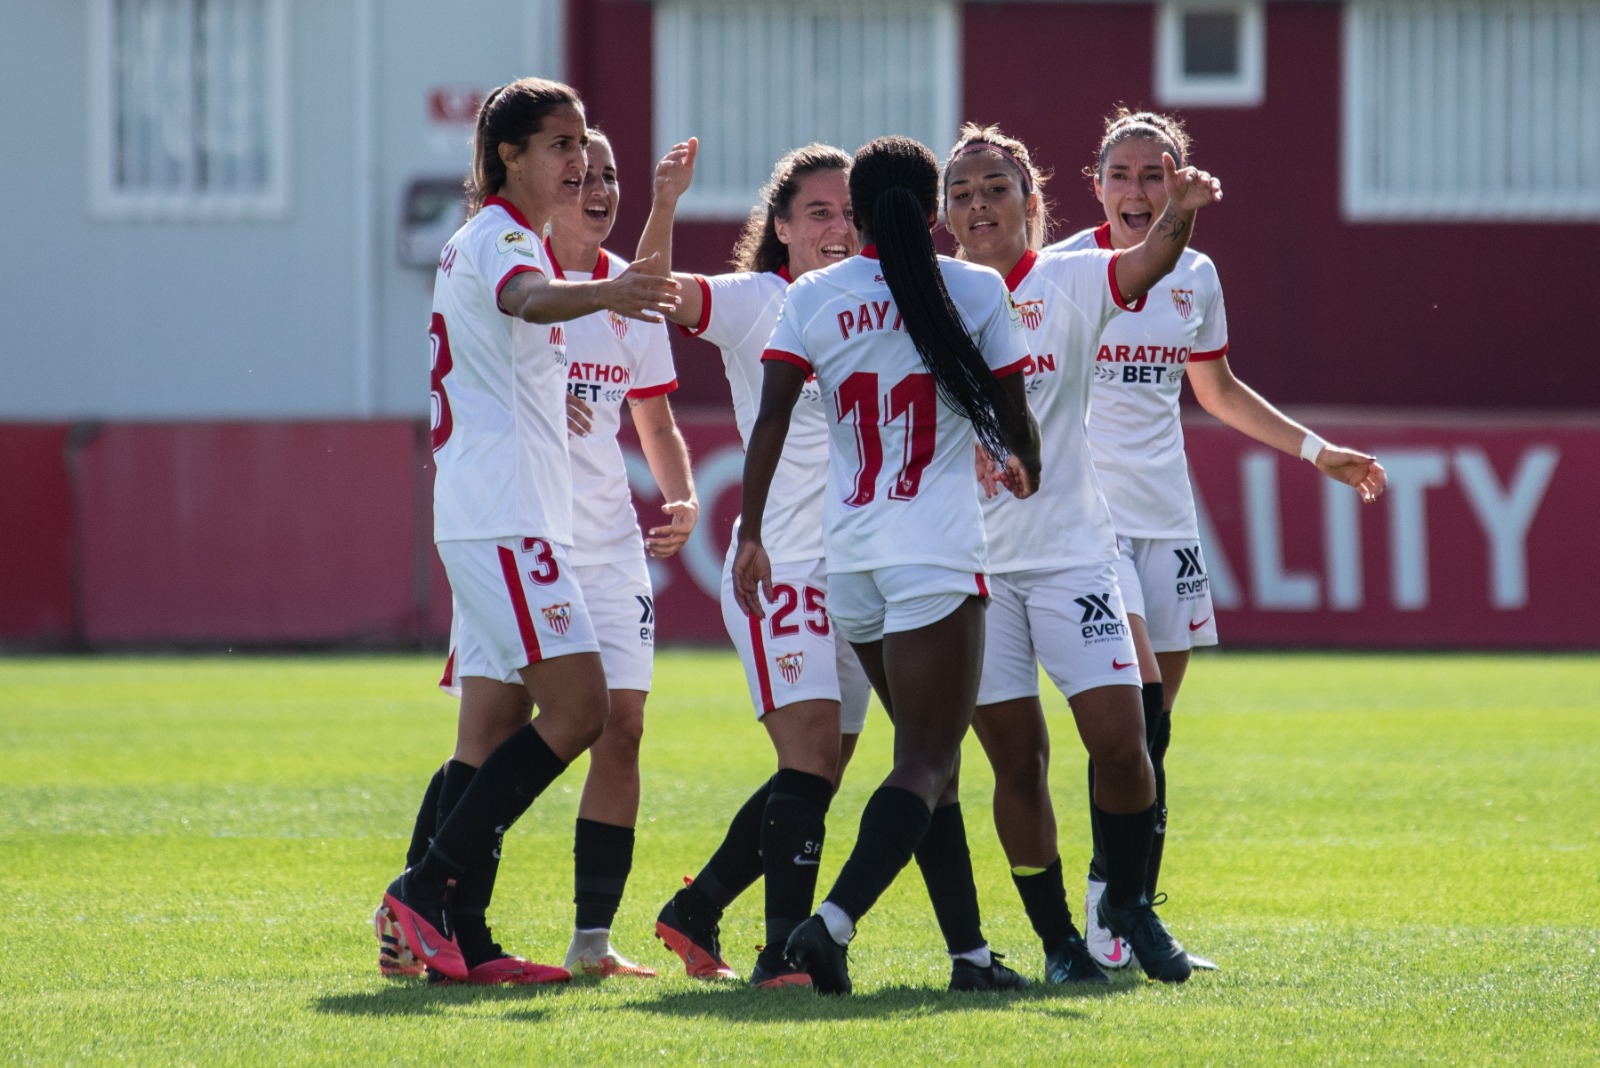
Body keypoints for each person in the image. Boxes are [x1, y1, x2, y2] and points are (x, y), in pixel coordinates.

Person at [1048, 109, 1386, 969]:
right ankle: (1120, 916)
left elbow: (1219, 390)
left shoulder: (1195, 273)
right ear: (1095, 184)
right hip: (1091, 524)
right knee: (1129, 718)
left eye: (1153, 174)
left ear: (1179, 183)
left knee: (1152, 736)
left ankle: (1116, 902)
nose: (1136, 189)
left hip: (1170, 519)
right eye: (1120, 174)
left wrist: (1320, 453)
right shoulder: (1063, 273)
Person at [373, 77, 680, 985]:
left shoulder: (504, 240)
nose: (578, 158)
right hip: (505, 521)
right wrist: (608, 294)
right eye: (558, 142)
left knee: (499, 722)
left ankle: (461, 941)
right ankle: (423, 893)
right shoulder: (506, 239)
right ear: (508, 155)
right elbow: (529, 301)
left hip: (500, 515)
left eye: (582, 141)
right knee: (584, 710)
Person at [733, 135, 1043, 996]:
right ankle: (826, 927)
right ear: (936, 212)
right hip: (936, 556)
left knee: (927, 765)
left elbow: (768, 424)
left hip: (852, 559)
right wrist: (1021, 464)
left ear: (859, 216)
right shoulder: (976, 289)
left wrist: (751, 532)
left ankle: (971, 958)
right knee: (929, 763)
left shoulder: (814, 297)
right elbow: (1018, 436)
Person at [941, 123, 1222, 984]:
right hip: (976, 572)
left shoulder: (1069, 277)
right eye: (962, 193)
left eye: (997, 187)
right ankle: (1061, 941)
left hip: (1072, 555)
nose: (980, 205)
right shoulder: (931, 296)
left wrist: (1177, 215)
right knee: (1017, 765)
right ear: (944, 215)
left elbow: (1147, 266)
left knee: (1124, 737)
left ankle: (1129, 905)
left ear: (1032, 198)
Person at [634, 140, 876, 989]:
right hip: (776, 568)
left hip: (858, 570)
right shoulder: (754, 300)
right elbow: (649, 292)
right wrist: (664, 204)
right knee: (810, 753)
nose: (838, 227)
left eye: (850, 211)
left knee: (819, 769)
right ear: (779, 227)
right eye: (818, 212)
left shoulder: (874, 302)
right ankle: (783, 959)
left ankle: (696, 911)